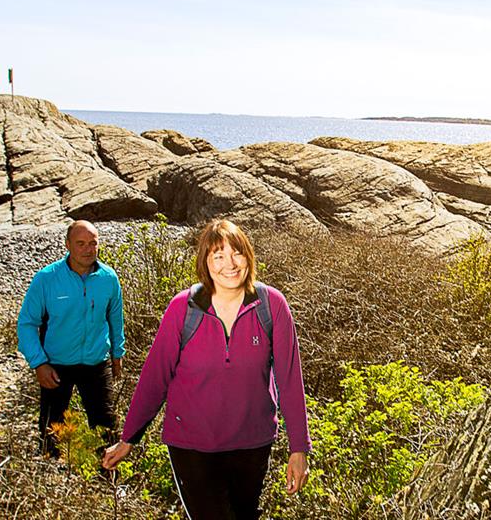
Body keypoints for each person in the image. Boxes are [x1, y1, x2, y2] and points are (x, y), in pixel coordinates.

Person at [102, 218, 310, 520]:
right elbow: (154, 377)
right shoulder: (182, 308)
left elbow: (290, 380)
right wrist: (129, 437)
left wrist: (299, 448)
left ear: (249, 256)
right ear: (205, 262)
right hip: (192, 445)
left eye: (237, 253)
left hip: (251, 442)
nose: (230, 264)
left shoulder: (271, 305)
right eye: (218, 255)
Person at [16, 220, 126, 457]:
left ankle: (107, 480)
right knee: (51, 431)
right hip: (56, 366)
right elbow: (26, 324)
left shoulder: (108, 278)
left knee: (106, 428)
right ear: (67, 245)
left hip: (96, 364)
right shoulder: (47, 279)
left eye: (93, 243)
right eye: (81, 243)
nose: (88, 249)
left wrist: (118, 354)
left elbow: (115, 318)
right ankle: (50, 480)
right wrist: (39, 363)